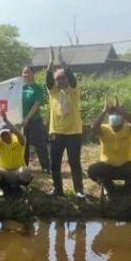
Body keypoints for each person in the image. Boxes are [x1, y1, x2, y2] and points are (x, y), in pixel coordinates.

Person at [45, 46, 85, 197]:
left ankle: (79, 190)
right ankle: (57, 190)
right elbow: (48, 79)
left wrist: (62, 62)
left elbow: (72, 77)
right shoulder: (53, 92)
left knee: (74, 163)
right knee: (54, 164)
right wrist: (51, 61)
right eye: (58, 78)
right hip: (56, 133)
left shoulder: (74, 90)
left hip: (74, 132)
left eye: (63, 77)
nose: (61, 80)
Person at [87, 97, 131, 198]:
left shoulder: (129, 129)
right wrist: (104, 111)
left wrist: (122, 111)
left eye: (118, 114)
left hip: (126, 167)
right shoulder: (104, 129)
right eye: (112, 114)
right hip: (108, 167)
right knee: (92, 170)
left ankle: (127, 189)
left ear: (122, 117)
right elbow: (94, 127)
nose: (115, 116)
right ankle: (109, 188)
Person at [0, 111, 32, 196]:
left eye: (6, 134)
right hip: (5, 173)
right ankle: (6, 189)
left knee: (26, 171)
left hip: (18, 172)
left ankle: (18, 189)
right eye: (2, 135)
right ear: (0, 136)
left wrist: (6, 120)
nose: (5, 137)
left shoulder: (18, 141)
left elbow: (20, 135)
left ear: (11, 133)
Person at [21, 65, 50, 172]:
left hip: (34, 121)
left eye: (28, 72)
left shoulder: (37, 88)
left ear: (33, 74)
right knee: (23, 144)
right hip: (21, 122)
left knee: (40, 144)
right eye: (24, 72)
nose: (26, 74)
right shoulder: (19, 88)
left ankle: (46, 167)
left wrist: (27, 118)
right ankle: (24, 167)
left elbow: (36, 105)